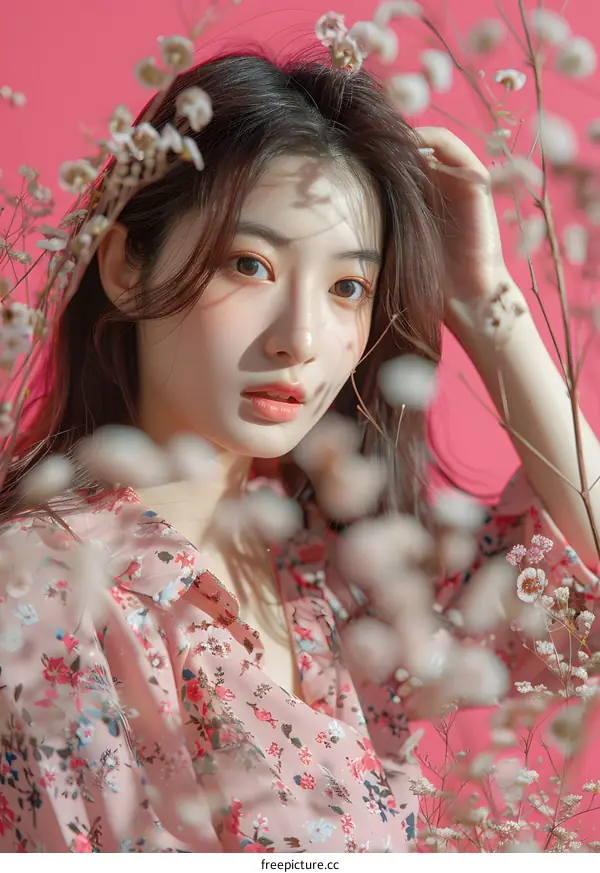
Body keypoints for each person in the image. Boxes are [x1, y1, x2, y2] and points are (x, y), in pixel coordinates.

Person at [0, 48, 599, 854]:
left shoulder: (330, 573)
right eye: (249, 265)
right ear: (127, 267)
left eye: (347, 287)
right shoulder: (45, 591)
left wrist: (481, 294)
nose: (302, 340)